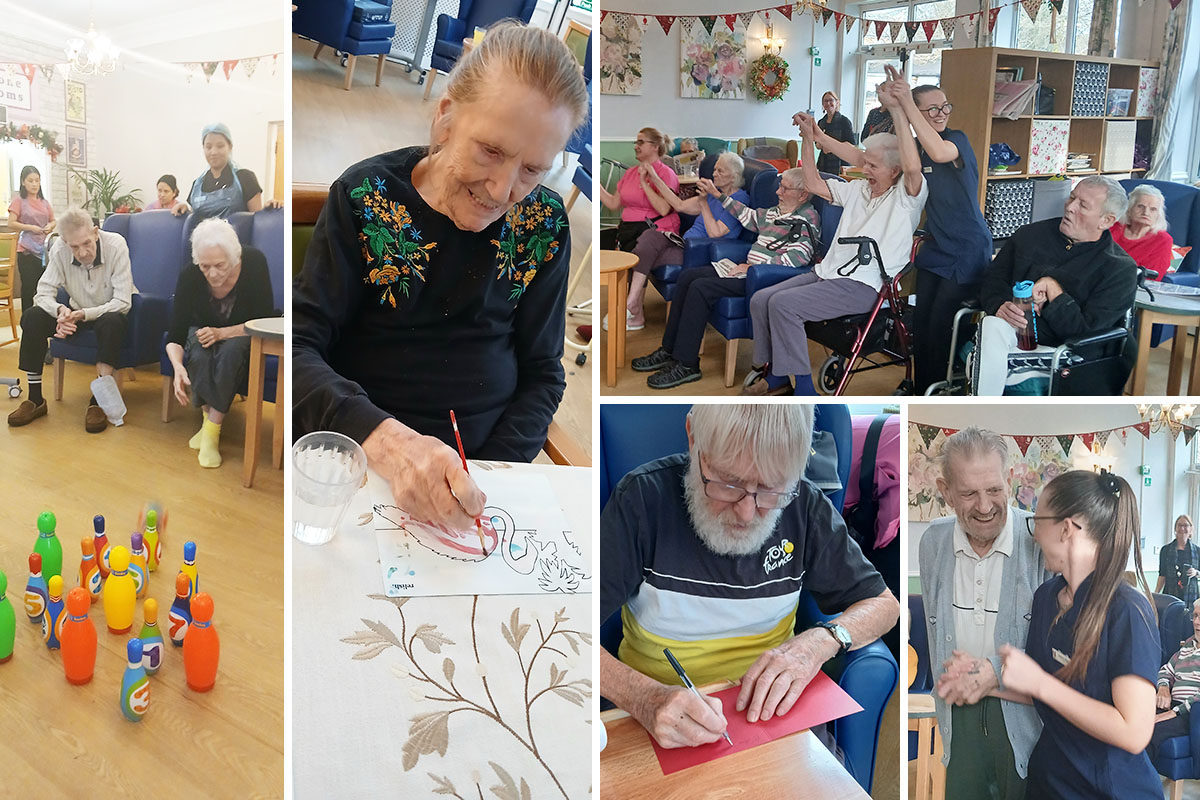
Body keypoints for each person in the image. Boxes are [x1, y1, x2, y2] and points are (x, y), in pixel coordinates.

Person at [292, 22, 588, 530]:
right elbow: (298, 350)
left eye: (533, 170)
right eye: (491, 151)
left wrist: (492, 475)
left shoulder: (543, 226)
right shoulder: (365, 199)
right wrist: (393, 446)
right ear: (446, 116)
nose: (501, 189)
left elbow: (543, 373)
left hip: (482, 489)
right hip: (361, 470)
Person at [600, 404, 899, 751]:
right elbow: (571, 631)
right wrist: (644, 699)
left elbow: (884, 605)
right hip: (658, 722)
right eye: (729, 483)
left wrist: (820, 642)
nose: (746, 512)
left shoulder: (805, 506)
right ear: (693, 437)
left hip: (775, 719)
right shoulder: (641, 500)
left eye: (771, 489)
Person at [814, 69, 993, 394]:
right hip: (936, 249)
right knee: (920, 326)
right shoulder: (912, 147)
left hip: (966, 249)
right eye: (933, 109)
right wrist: (820, 138)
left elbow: (936, 154)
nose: (941, 114)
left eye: (945, 107)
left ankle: (932, 389)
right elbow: (862, 157)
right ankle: (920, 386)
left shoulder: (955, 141)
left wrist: (902, 105)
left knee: (941, 326)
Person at [999, 469, 1161, 799]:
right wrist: (982, 683)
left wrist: (1040, 682)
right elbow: (1043, 692)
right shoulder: (1046, 596)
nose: (1034, 534)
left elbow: (1134, 731)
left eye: (1037, 520)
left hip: (1110, 789)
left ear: (1066, 529)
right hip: (1051, 780)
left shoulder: (1128, 611)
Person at [746, 113, 926, 395]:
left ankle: (804, 390)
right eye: (865, 163)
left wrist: (900, 108)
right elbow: (814, 184)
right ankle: (773, 376)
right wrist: (807, 139)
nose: (864, 169)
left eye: (873, 166)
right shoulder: (857, 190)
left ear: (894, 170)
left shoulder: (906, 198)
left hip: (865, 285)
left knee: (783, 305)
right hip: (827, 273)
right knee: (761, 299)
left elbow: (913, 168)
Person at [918, 427, 1048, 799]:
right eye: (969, 493)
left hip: (1024, 720)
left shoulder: (1037, 540)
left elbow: (1058, 645)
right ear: (945, 492)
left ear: (1009, 480)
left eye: (993, 490)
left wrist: (996, 669)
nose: (985, 506)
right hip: (958, 717)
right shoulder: (934, 542)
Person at [633, 168, 821, 392]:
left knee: (701, 288)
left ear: (803, 194)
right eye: (780, 186)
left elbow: (798, 258)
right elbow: (747, 216)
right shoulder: (774, 211)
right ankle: (669, 350)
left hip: (764, 279)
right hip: (746, 271)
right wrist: (718, 195)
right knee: (687, 276)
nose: (778, 192)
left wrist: (755, 267)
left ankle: (687, 364)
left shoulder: (806, 219)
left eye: (785, 188)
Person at [974, 176, 1138, 395]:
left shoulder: (1118, 269)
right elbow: (993, 279)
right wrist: (999, 305)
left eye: (1083, 205)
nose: (1069, 207)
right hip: (1008, 331)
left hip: (1061, 352)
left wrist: (1055, 293)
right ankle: (986, 409)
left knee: (989, 344)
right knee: (992, 325)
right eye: (1071, 197)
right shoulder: (1030, 235)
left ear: (1106, 221)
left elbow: (1085, 334)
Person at [7, 207, 132, 433]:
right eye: (74, 247)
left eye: (86, 243)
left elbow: (123, 301)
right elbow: (42, 293)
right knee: (32, 317)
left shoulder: (116, 245)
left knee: (112, 321)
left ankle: (98, 402)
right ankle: (35, 400)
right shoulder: (60, 250)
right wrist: (60, 312)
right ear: (65, 242)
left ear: (95, 232)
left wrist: (85, 314)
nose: (83, 252)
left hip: (107, 313)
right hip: (74, 313)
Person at [165, 218, 275, 469]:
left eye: (219, 265)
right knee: (200, 353)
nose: (212, 274)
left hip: (243, 333)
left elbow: (265, 320)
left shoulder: (254, 262)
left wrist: (222, 333)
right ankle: (208, 426)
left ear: (234, 257)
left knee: (231, 351)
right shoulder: (190, 275)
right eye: (205, 266)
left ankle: (211, 431)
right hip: (201, 332)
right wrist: (177, 366)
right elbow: (176, 333)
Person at [620, 151, 750, 334]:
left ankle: (632, 306)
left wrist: (704, 202)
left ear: (734, 177)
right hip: (684, 244)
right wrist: (655, 178)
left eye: (720, 171)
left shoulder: (739, 200)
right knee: (649, 236)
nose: (714, 174)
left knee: (642, 253)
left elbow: (715, 233)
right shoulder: (715, 194)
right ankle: (632, 304)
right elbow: (678, 205)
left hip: (700, 252)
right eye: (714, 170)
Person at [596, 127, 680, 332]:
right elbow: (614, 203)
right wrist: (595, 186)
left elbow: (663, 208)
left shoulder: (665, 174)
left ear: (655, 147)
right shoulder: (630, 172)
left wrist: (646, 182)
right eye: (636, 141)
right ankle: (634, 311)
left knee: (639, 246)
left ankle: (633, 309)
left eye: (641, 142)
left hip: (655, 229)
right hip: (627, 228)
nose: (636, 146)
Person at [173, 123, 278, 220]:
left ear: (230, 147)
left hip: (238, 240)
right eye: (208, 147)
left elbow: (257, 220)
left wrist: (270, 208)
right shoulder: (197, 184)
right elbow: (195, 218)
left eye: (220, 146)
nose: (213, 152)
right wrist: (185, 209)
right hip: (203, 240)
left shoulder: (245, 178)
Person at [7, 165, 56, 311]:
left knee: (44, 289)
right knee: (28, 288)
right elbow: (11, 223)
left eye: (37, 180)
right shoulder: (19, 201)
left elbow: (54, 220)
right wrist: (30, 227)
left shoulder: (44, 202)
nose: (34, 184)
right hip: (26, 251)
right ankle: (26, 324)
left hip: (43, 252)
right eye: (30, 181)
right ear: (23, 182)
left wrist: (50, 226)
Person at [1152, 600, 1200, 751]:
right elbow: (1166, 670)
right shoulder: (1188, 645)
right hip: (1171, 706)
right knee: (1134, 719)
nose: (1197, 622)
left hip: (1191, 713)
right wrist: (1164, 688)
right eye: (1195, 616)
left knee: (1150, 732)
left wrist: (1175, 712)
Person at [1110, 184, 1174, 280]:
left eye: (1153, 209)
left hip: (1131, 288)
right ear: (1129, 209)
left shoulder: (1163, 240)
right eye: (1140, 206)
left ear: (1158, 215)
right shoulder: (1112, 228)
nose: (1146, 213)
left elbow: (1151, 277)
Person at [1156, 514, 1198, 608]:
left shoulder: (1197, 551)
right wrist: (1155, 594)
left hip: (1191, 595)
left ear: (1191, 529)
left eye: (1186, 525)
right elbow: (1162, 574)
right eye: (1179, 525)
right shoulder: (1165, 550)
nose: (1182, 528)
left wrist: (1195, 572)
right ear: (1175, 528)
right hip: (1170, 594)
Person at [815, 91, 857, 176]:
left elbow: (851, 144)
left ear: (837, 102)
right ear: (823, 104)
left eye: (831, 100)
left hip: (840, 163)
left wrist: (832, 147)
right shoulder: (821, 122)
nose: (828, 103)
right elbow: (817, 146)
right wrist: (820, 142)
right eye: (825, 101)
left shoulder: (844, 121)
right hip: (824, 163)